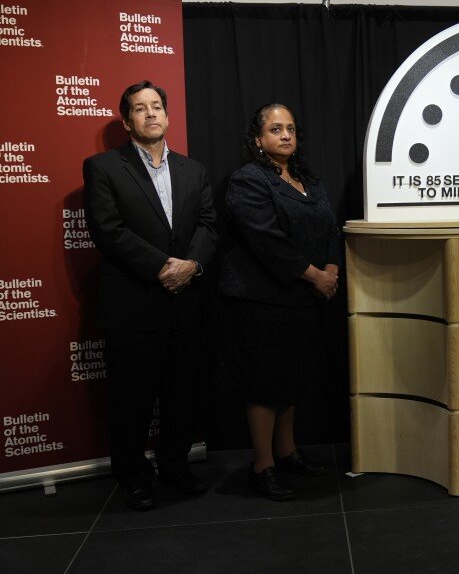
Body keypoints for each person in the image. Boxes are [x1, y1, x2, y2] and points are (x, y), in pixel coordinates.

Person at [83, 81, 218, 511]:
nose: (151, 113)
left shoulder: (193, 170)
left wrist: (191, 265)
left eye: (156, 106)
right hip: (133, 305)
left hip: (186, 303)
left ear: (167, 115)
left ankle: (175, 465)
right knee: (131, 400)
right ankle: (133, 477)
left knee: (182, 395)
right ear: (127, 122)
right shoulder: (103, 167)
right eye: (140, 108)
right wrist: (163, 267)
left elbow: (209, 226)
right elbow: (108, 230)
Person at [218, 103, 340, 501]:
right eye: (275, 129)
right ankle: (263, 466)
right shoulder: (247, 180)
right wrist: (315, 276)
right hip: (261, 300)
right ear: (258, 139)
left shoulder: (308, 180)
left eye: (290, 128)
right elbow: (266, 240)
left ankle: (287, 452)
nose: (286, 135)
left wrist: (331, 268)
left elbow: (330, 228)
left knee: (290, 379)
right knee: (265, 383)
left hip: (300, 298)